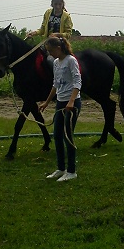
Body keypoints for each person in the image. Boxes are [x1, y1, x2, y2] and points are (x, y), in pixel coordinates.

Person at [39, 35, 82, 182]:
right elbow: (55, 84)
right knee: (57, 135)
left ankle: (72, 171)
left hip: (72, 104)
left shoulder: (71, 60)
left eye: (51, 51)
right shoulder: (56, 63)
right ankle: (61, 168)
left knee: (67, 136)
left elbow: (77, 81)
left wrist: (71, 101)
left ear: (59, 48)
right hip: (60, 102)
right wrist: (46, 102)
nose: (50, 54)